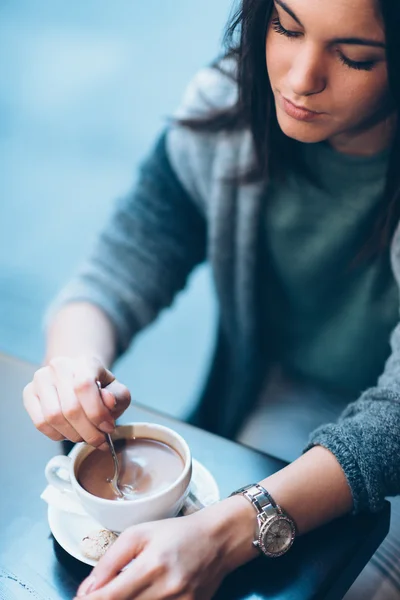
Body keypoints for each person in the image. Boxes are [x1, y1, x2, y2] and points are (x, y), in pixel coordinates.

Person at [23, 0, 400, 597]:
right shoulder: (229, 108)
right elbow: (128, 254)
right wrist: (70, 368)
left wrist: (227, 532)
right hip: (290, 393)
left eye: (355, 57)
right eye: (286, 26)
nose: (301, 79)